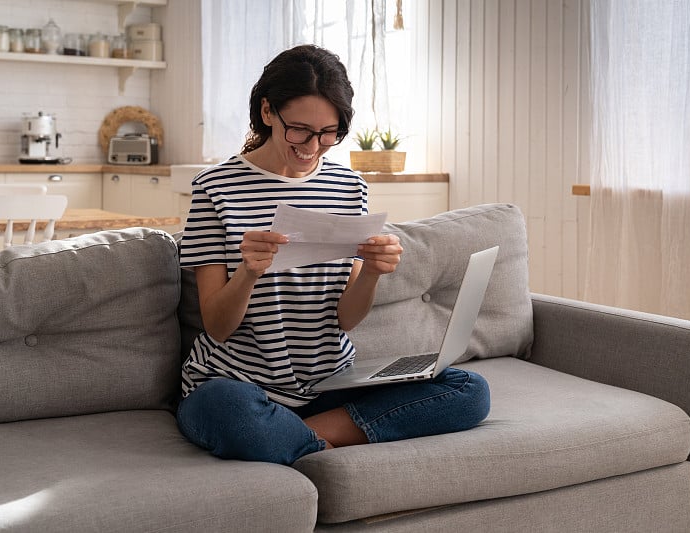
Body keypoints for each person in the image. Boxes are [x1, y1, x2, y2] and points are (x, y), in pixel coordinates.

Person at [177, 44, 490, 465]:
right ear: (268, 112)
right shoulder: (215, 188)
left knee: (469, 392)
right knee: (227, 410)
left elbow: (345, 319)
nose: (313, 146)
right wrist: (248, 273)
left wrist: (374, 274)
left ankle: (297, 441)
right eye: (301, 130)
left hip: (329, 386)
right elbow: (217, 326)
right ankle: (315, 439)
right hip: (236, 384)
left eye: (329, 133)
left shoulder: (348, 186)